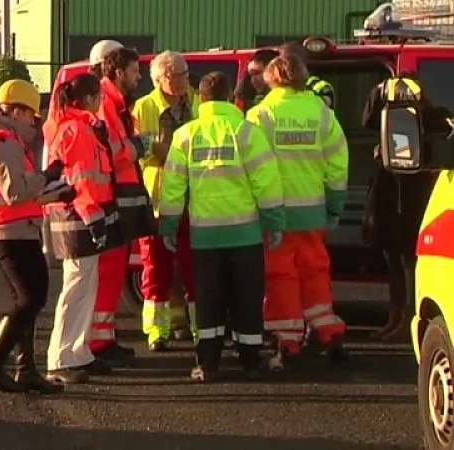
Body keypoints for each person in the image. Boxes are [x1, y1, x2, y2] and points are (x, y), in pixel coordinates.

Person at [160, 71, 285, 381]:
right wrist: (274, 222)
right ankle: (251, 362)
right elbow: (266, 182)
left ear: (201, 98)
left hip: (205, 237)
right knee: (247, 297)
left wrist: (169, 226)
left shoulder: (185, 135)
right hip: (245, 234)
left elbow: (173, 187)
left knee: (208, 299)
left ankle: (208, 364)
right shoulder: (247, 132)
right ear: (231, 97)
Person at [246, 54, 349, 370]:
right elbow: (337, 164)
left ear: (271, 78)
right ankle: (329, 332)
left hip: (274, 212)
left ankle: (288, 343)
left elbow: (251, 168)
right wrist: (334, 206)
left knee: (281, 276)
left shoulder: (260, 115)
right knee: (315, 270)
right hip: (312, 210)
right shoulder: (321, 113)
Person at [0, 79, 65, 394]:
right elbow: (15, 192)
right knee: (31, 298)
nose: (34, 121)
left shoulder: (0, 140)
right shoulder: (5, 143)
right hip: (10, 231)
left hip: (4, 228)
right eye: (31, 115)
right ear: (18, 111)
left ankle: (26, 369)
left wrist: (52, 192)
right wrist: (46, 177)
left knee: (25, 299)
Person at [45, 73, 123, 384]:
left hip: (80, 216)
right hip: (79, 218)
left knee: (83, 285)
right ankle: (62, 357)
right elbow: (81, 179)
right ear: (90, 99)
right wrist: (93, 218)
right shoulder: (77, 130)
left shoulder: (78, 127)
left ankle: (78, 352)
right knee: (76, 287)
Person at [361, 75, 445, 341]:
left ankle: (407, 318)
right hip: (390, 199)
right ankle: (394, 316)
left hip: (414, 199)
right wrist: (378, 93)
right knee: (393, 262)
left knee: (409, 263)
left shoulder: (434, 117)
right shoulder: (389, 116)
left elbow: (436, 144)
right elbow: (367, 121)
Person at [90, 45, 156, 366]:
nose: (138, 77)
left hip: (117, 197)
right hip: (110, 198)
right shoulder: (106, 105)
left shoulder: (114, 103)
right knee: (106, 272)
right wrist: (139, 145)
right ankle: (97, 343)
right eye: (134, 71)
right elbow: (113, 153)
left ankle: (104, 339)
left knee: (113, 272)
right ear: (118, 72)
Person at [132, 50, 199, 350]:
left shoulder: (197, 100)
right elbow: (143, 150)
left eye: (186, 73)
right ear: (159, 80)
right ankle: (157, 331)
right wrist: (175, 156)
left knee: (194, 266)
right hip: (157, 199)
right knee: (155, 267)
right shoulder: (144, 107)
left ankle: (200, 330)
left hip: (195, 198)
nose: (184, 80)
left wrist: (167, 153)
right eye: (177, 75)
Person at [279, 41, 335, 108]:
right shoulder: (273, 87)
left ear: (303, 63)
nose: (284, 67)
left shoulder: (320, 88)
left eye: (288, 63)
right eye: (280, 63)